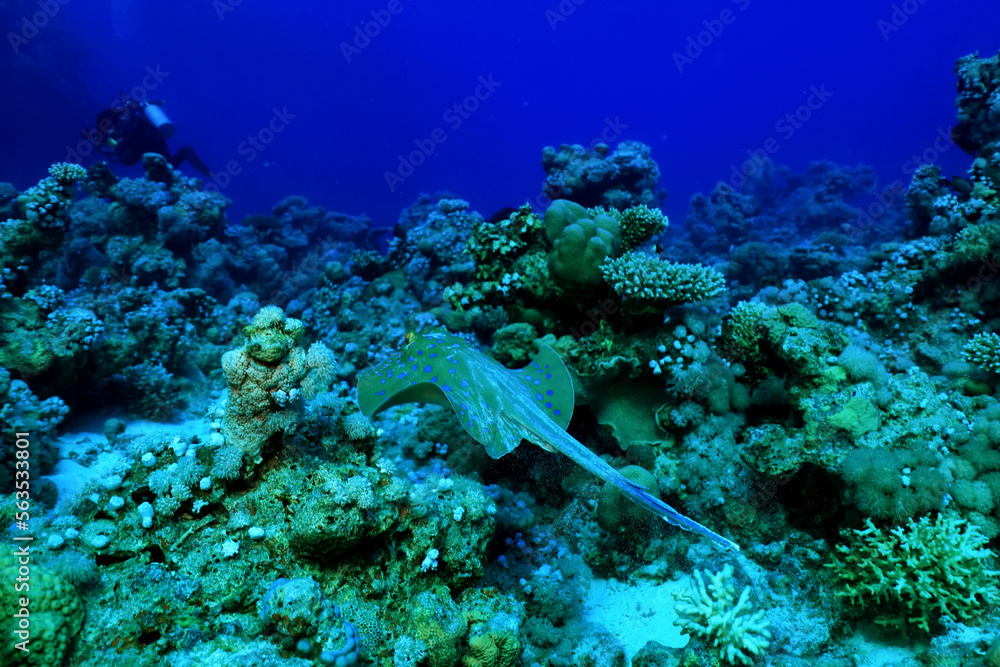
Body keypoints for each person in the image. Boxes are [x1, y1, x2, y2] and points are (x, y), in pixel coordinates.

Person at [86, 93, 212, 176]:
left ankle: (185, 154)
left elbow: (124, 155)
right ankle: (187, 154)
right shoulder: (127, 113)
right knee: (165, 168)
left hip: (140, 139)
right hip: (154, 137)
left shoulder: (118, 123)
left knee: (130, 161)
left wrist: (106, 140)